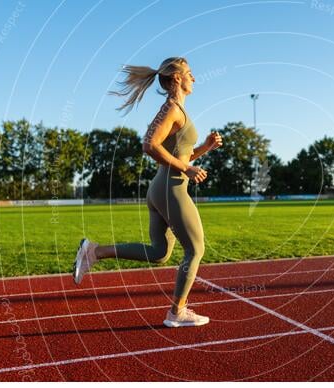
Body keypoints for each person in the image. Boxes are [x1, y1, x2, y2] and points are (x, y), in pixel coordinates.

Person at [72, 57, 222, 328]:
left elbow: (179, 154)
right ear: (177, 78)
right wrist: (185, 170)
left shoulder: (177, 110)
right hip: (170, 189)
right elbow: (149, 145)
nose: (194, 78)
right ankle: (177, 312)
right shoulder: (172, 109)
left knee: (159, 253)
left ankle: (94, 251)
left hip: (161, 188)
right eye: (189, 73)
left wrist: (205, 149)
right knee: (196, 250)